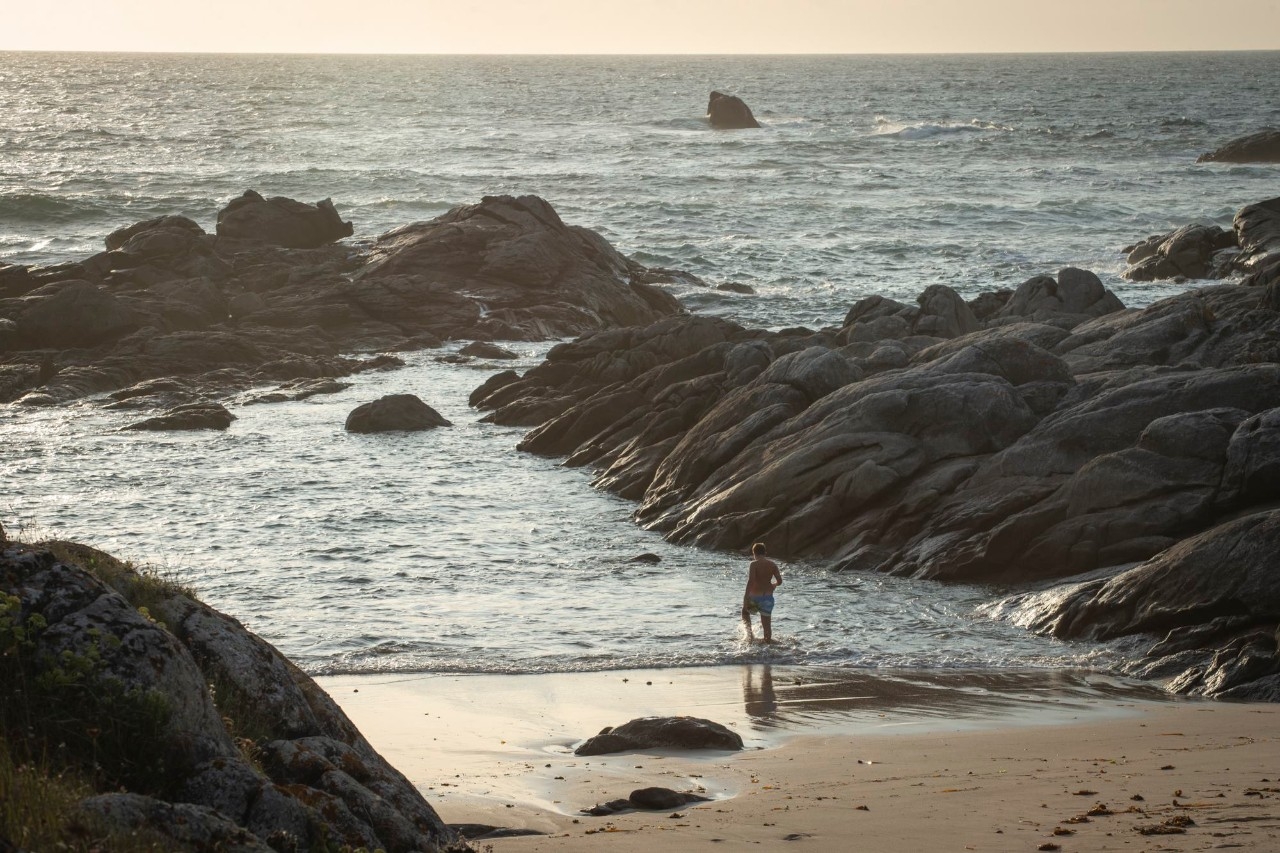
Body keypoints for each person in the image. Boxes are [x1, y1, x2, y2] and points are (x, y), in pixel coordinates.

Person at [741, 542, 782, 643]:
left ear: (754, 553)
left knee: (745, 612)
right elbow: (780, 581)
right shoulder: (772, 565)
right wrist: (774, 585)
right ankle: (768, 644)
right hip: (767, 598)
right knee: (767, 625)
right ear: (765, 553)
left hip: (755, 597)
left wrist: (746, 596)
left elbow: (751, 581)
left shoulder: (753, 564)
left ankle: (750, 636)